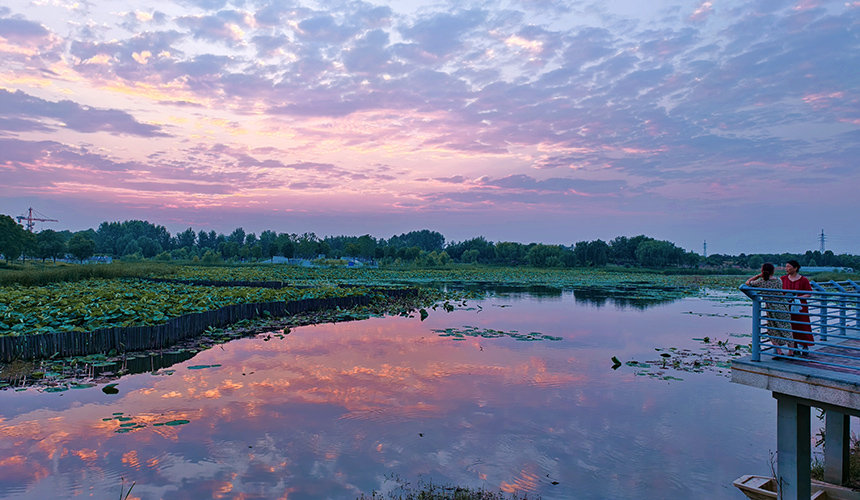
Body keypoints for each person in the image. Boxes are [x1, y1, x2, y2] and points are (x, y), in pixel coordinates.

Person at [746, 263, 792, 355]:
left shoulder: (761, 282)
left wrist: (758, 276)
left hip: (771, 308)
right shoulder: (778, 280)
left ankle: (779, 351)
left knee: (771, 330)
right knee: (787, 328)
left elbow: (747, 283)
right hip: (783, 306)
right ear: (773, 271)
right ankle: (791, 351)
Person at [781, 260, 814, 355]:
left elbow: (809, 293)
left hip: (800, 307)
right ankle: (793, 346)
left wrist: (797, 297)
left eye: (788, 266)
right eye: (786, 267)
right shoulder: (783, 279)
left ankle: (805, 345)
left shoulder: (804, 280)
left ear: (795, 268)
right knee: (790, 325)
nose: (786, 268)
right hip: (787, 306)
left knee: (803, 325)